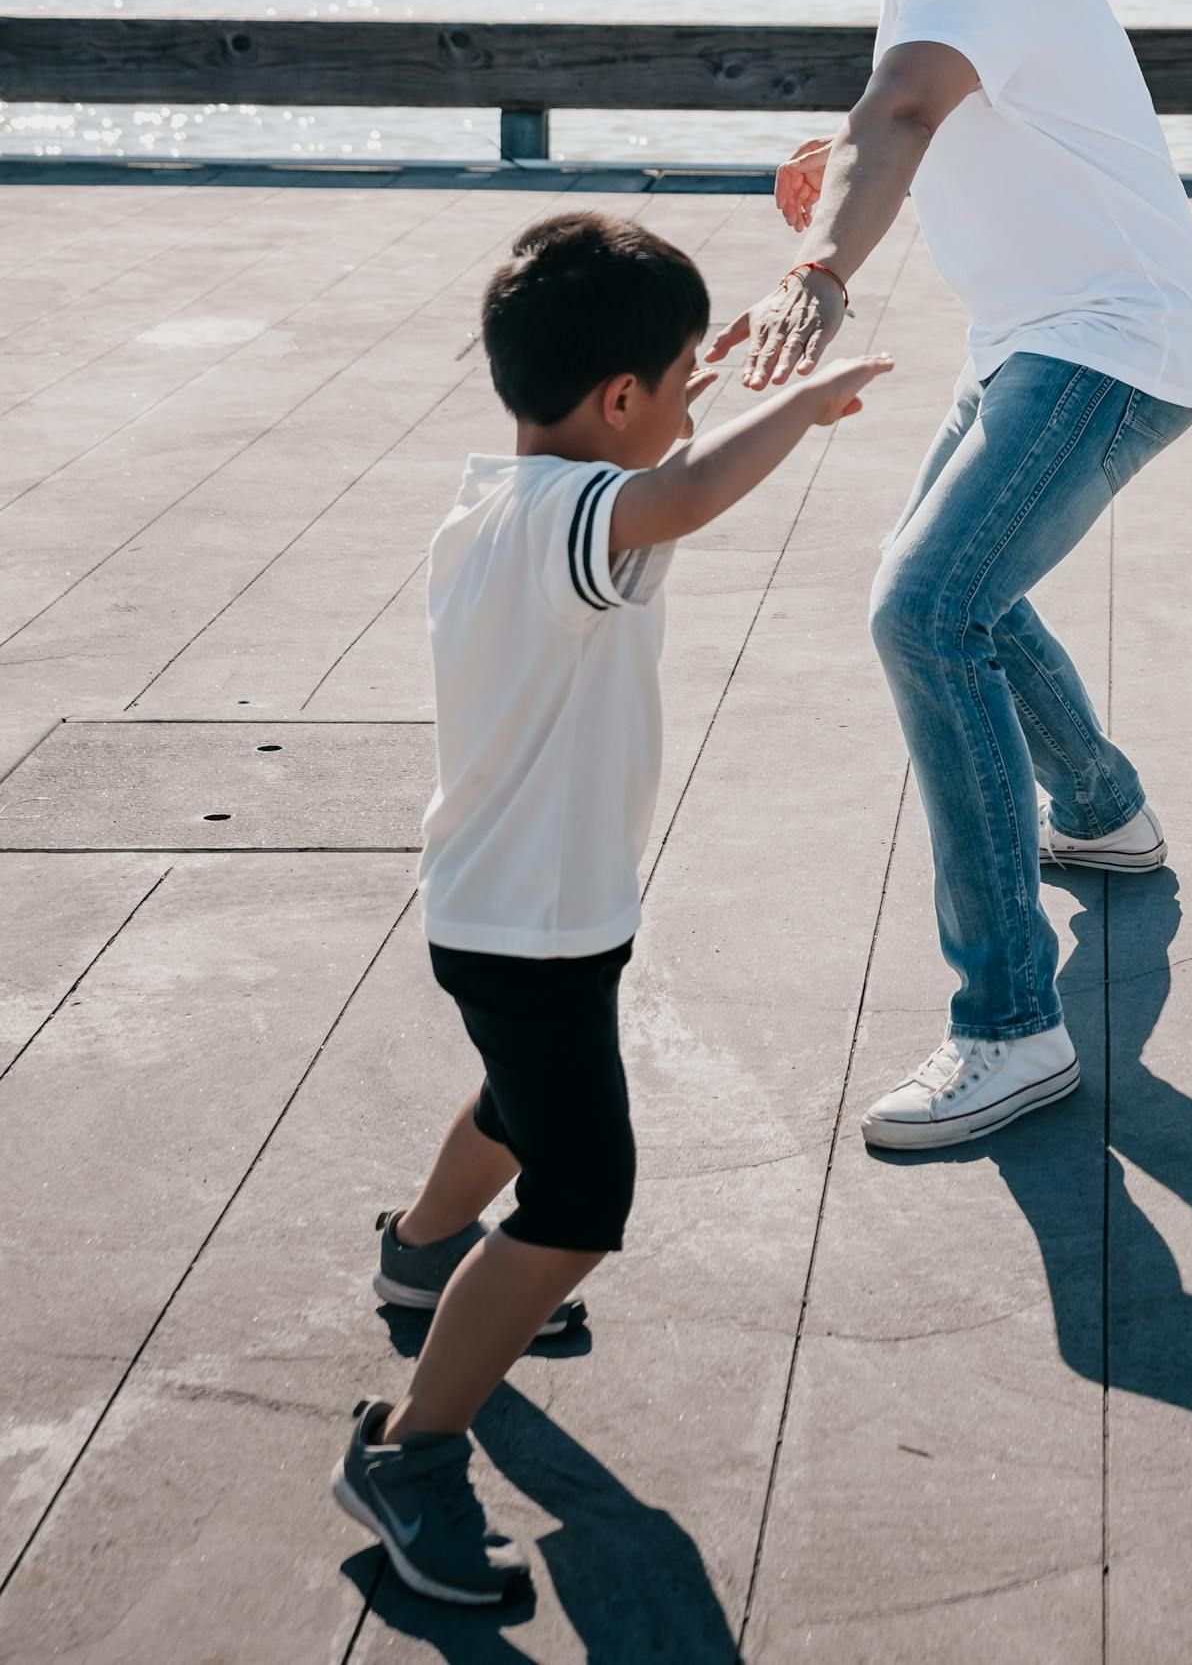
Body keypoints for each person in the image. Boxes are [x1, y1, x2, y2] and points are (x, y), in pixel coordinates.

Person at [333, 210, 889, 1606]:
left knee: (522, 1103)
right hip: (532, 918)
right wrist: (803, 408)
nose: (697, 397)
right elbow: (680, 497)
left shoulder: (504, 499)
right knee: (581, 1198)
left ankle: (418, 1260)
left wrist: (688, 388)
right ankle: (409, 1449)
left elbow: (643, 459)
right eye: (678, 376)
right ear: (624, 397)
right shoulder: (590, 517)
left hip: (516, 908)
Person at [734, 0, 1192, 1154]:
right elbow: (934, 104)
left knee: (923, 608)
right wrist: (856, 157)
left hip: (1107, 339)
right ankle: (1104, 808)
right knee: (968, 592)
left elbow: (905, 108)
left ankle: (1008, 1022)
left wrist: (825, 259)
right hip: (1049, 327)